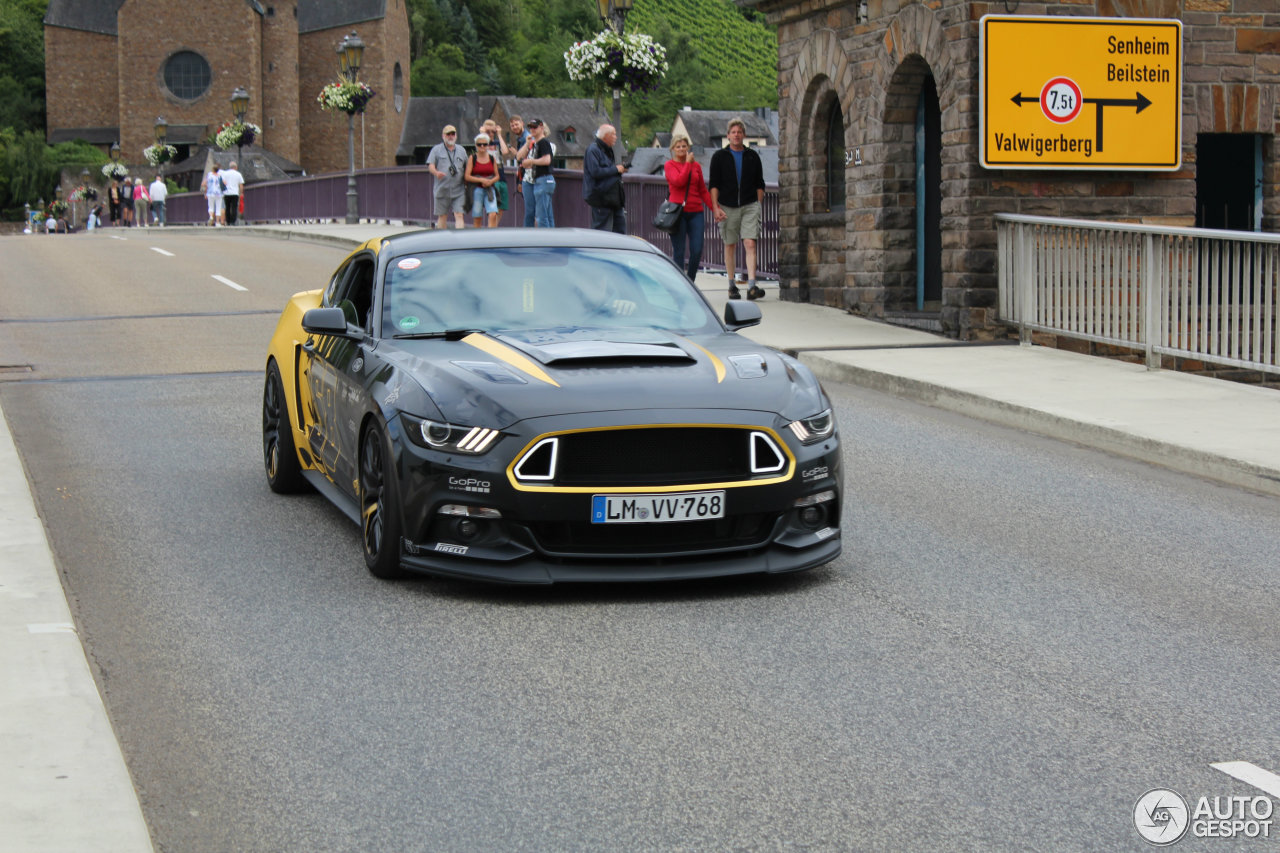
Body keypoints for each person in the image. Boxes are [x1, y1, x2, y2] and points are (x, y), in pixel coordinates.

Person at [708, 118, 767, 300]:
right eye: (733, 132)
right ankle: (732, 285)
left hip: (749, 205)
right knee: (730, 244)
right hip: (727, 205)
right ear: (728, 136)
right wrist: (715, 207)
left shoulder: (752, 156)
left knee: (750, 242)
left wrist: (757, 204)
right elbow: (714, 185)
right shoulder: (719, 157)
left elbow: (760, 183)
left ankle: (751, 285)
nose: (736, 135)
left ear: (744, 135)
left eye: (739, 132)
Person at [663, 134, 711, 280]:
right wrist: (688, 164)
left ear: (688, 148)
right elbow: (679, 181)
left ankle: (690, 280)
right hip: (677, 212)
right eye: (678, 146)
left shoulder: (696, 166)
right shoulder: (669, 165)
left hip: (696, 211)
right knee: (679, 250)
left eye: (684, 146)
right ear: (673, 149)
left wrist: (715, 208)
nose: (682, 149)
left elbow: (703, 190)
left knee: (697, 250)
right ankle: (679, 282)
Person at [583, 123, 627, 234]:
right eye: (614, 135)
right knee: (601, 231)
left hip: (613, 197)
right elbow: (595, 171)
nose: (616, 138)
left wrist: (620, 170)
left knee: (620, 229)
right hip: (601, 197)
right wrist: (616, 170)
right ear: (605, 135)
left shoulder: (607, 150)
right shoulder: (593, 150)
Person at [427, 124, 467, 229]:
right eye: (448, 134)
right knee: (442, 216)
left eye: (453, 134)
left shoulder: (461, 150)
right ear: (443, 136)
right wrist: (436, 173)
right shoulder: (436, 150)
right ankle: (442, 240)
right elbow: (430, 165)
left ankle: (460, 240)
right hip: (442, 189)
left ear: (456, 135)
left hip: (459, 189)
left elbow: (467, 166)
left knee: (459, 214)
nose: (450, 136)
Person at [520, 118, 555, 228]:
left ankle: (544, 240)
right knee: (547, 214)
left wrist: (531, 161)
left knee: (541, 215)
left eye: (535, 127)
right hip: (541, 180)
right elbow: (518, 157)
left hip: (543, 179)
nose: (532, 129)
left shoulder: (543, 142)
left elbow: (547, 160)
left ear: (541, 128)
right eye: (530, 127)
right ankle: (552, 239)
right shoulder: (536, 143)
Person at [464, 132, 500, 228]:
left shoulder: (492, 158)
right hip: (477, 189)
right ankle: (477, 238)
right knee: (477, 217)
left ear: (488, 145)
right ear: (476, 145)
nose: (482, 146)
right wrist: (481, 180)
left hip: (490, 189)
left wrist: (490, 181)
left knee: (493, 214)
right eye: (480, 144)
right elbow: (467, 176)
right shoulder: (473, 158)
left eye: (485, 144)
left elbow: (497, 175)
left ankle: (491, 236)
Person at [482, 120, 510, 226]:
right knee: (492, 209)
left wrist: (499, 134)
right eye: (488, 131)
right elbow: (479, 149)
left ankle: (494, 228)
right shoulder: (482, 143)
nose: (490, 134)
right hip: (490, 178)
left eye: (492, 131)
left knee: (501, 208)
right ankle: (490, 230)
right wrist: (483, 134)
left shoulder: (497, 143)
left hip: (501, 177)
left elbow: (505, 151)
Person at [508, 115, 535, 227]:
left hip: (529, 177)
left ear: (522, 123)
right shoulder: (521, 138)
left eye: (516, 124)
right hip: (527, 176)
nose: (514, 127)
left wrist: (516, 154)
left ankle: (529, 233)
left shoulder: (526, 138)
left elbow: (524, 159)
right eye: (512, 125)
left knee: (531, 210)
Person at [222, 160, 245, 225]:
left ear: (230, 167)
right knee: (234, 207)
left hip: (227, 193)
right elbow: (241, 185)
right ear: (235, 167)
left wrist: (223, 191)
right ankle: (233, 221)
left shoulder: (225, 173)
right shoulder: (238, 174)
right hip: (235, 193)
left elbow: (222, 183)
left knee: (227, 207)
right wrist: (241, 193)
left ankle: (228, 221)